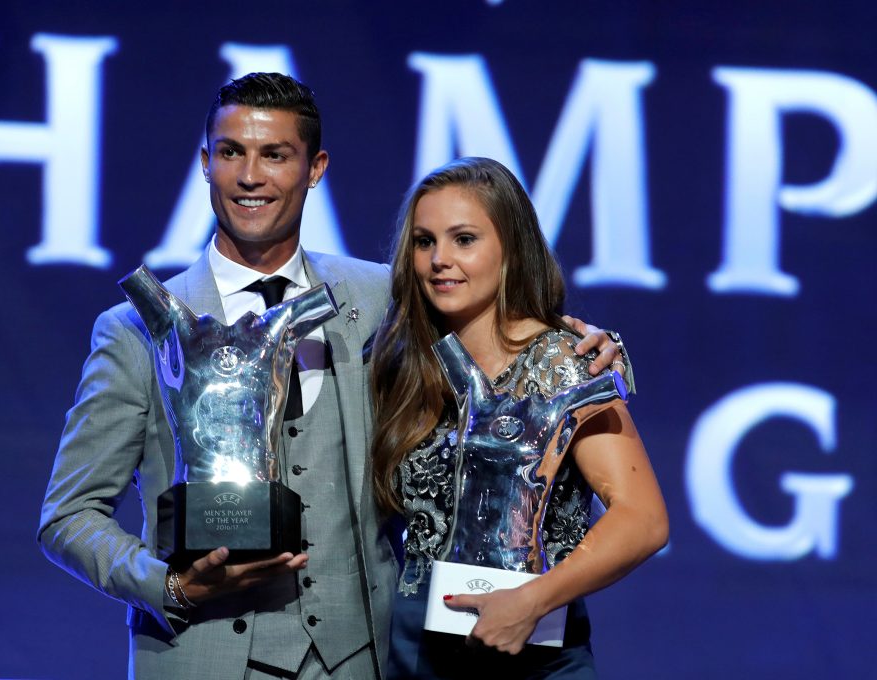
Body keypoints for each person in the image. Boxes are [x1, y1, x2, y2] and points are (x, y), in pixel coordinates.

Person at [38, 73, 625, 679]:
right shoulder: (136, 329)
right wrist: (173, 587)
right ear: (205, 162)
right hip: (202, 656)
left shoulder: (382, 297)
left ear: (314, 168)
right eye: (232, 152)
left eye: (276, 155)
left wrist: (568, 344)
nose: (250, 175)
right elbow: (68, 514)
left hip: (358, 659)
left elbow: (493, 326)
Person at [370, 157, 668, 679]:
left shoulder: (565, 360)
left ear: (510, 248)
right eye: (424, 241)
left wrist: (531, 601)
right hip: (418, 654)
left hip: (534, 651)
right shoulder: (403, 363)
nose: (439, 259)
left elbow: (643, 520)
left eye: (464, 239)